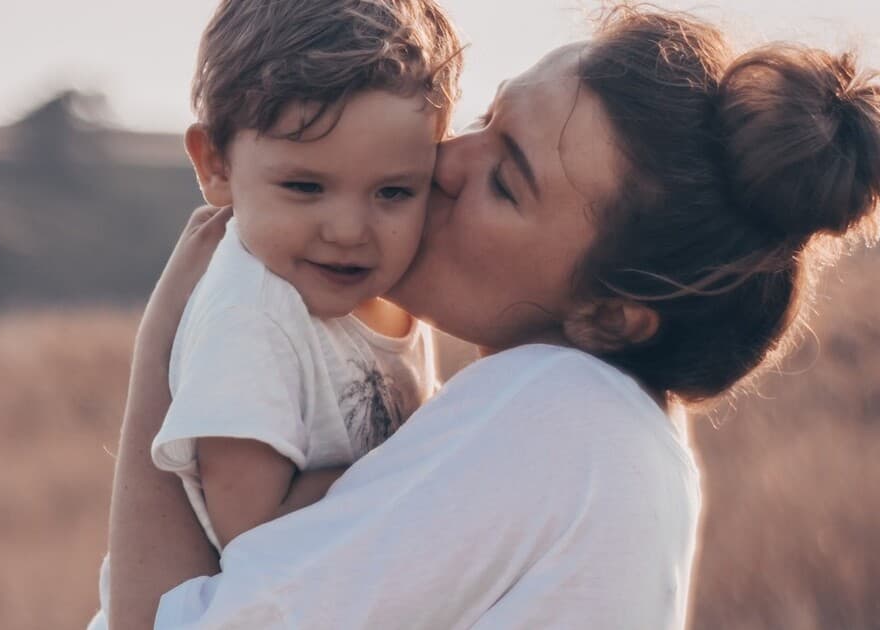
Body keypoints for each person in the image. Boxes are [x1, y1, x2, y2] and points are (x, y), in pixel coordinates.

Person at [107, 4, 880, 629]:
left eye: (506, 180)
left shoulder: (559, 416)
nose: (442, 162)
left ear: (610, 316)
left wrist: (169, 334)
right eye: (484, 119)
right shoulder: (595, 427)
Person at [88, 1, 462, 628]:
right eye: (305, 187)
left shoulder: (391, 289)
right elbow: (256, 534)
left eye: (393, 191)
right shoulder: (251, 315)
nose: (348, 230)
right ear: (216, 166)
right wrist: (429, 467)